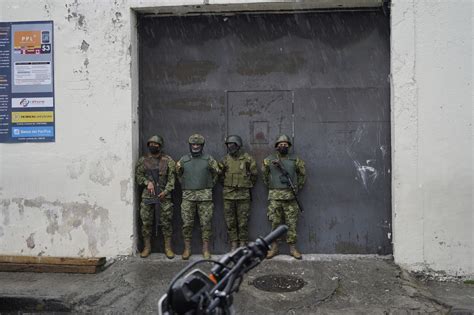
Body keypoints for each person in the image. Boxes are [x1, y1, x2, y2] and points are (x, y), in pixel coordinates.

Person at [262, 134, 306, 259]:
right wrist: (272, 187)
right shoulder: (268, 160)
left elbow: (302, 175)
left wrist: (297, 187)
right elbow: (265, 176)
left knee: (291, 224)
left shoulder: (295, 159)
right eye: (280, 145)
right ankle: (274, 248)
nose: (283, 146)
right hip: (275, 197)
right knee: (275, 224)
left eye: (285, 145)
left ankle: (292, 248)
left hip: (291, 197)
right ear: (276, 147)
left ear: (289, 146)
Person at [176, 134, 220, 260]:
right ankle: (187, 249)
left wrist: (209, 185)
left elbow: (216, 173)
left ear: (202, 146)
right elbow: (179, 175)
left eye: (198, 145)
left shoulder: (209, 159)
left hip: (205, 196)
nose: (195, 147)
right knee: (187, 223)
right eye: (193, 145)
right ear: (190, 145)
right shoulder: (183, 160)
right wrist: (186, 185)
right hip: (188, 196)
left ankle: (205, 249)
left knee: (206, 224)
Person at [135, 135, 176, 259]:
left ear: (160, 145)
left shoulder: (168, 160)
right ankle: (147, 247)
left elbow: (172, 179)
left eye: (156, 144)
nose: (153, 146)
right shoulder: (143, 161)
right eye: (151, 144)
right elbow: (138, 176)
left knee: (166, 223)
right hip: (148, 197)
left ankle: (168, 248)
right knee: (146, 223)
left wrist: (166, 191)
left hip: (163, 196)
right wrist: (147, 183)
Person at [220, 135, 257, 251]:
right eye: (228, 144)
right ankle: (234, 243)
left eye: (232, 144)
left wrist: (246, 184)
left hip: (243, 195)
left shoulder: (248, 159)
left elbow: (254, 174)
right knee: (230, 221)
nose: (230, 147)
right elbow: (220, 175)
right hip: (228, 195)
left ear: (238, 145)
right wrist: (227, 184)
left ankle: (243, 243)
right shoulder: (225, 159)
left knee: (243, 221)